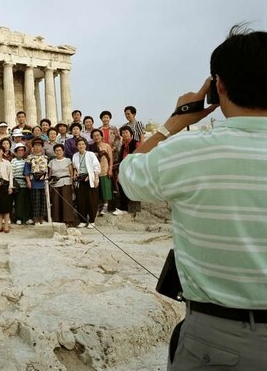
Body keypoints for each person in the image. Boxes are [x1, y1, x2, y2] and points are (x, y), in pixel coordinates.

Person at [118, 26, 267, 371]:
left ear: (219, 86)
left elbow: (130, 174)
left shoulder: (189, 152)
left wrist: (175, 122)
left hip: (220, 339)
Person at [72, 138, 101, 228]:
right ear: (77, 146)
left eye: (82, 144)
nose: (81, 146)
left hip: (90, 178)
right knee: (81, 200)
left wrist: (95, 178)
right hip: (80, 179)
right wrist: (75, 174)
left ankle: (92, 221)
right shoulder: (75, 155)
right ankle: (83, 220)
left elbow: (96, 167)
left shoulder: (91, 154)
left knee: (92, 200)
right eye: (79, 144)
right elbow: (75, 167)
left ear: (85, 145)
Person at [114, 126, 139, 215]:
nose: (124, 135)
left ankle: (124, 207)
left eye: (126, 133)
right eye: (123, 133)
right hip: (124, 168)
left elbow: (139, 156)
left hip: (132, 169)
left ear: (131, 134)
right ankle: (123, 207)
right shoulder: (123, 146)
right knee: (121, 185)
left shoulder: (136, 143)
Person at [48, 144, 76, 226]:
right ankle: (57, 219)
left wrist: (72, 183)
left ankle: (68, 220)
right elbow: (50, 174)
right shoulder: (52, 162)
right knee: (56, 202)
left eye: (60, 150)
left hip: (66, 181)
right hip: (55, 182)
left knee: (66, 202)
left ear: (63, 151)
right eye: (56, 150)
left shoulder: (67, 160)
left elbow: (71, 172)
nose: (58, 152)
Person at [24, 138, 49, 225]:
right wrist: (28, 182)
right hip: (34, 182)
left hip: (44, 183)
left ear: (42, 147)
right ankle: (36, 219)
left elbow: (48, 170)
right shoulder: (29, 158)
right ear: (33, 147)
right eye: (36, 145)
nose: (37, 147)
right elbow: (26, 171)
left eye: (39, 145)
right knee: (35, 201)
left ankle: (42, 218)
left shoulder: (45, 158)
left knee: (43, 201)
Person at [91, 128, 113, 215]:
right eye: (94, 136)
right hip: (95, 172)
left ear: (101, 136)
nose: (96, 137)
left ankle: (106, 205)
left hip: (105, 169)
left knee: (105, 188)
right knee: (97, 189)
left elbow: (110, 159)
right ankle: (99, 205)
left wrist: (110, 169)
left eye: (98, 135)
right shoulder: (91, 147)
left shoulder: (107, 146)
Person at [11, 143, 32, 225]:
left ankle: (28, 218)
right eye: (19, 150)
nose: (21, 152)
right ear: (16, 152)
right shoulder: (14, 161)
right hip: (18, 183)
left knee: (27, 201)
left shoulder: (26, 160)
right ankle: (18, 218)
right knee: (18, 202)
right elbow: (12, 173)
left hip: (27, 183)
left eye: (22, 150)